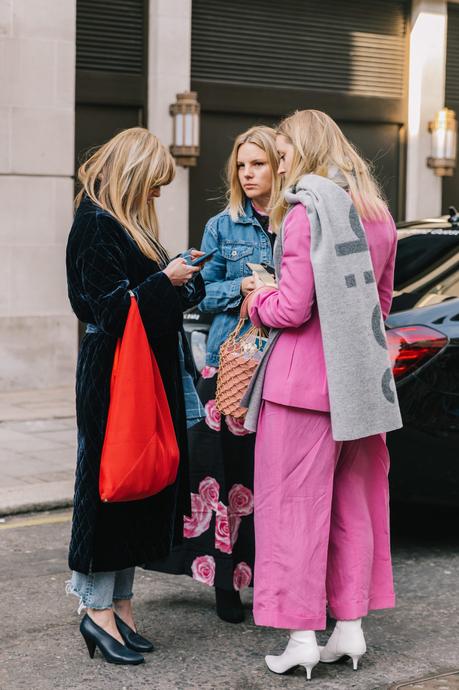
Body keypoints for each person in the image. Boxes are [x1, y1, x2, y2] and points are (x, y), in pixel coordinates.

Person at [245, 110, 402, 679]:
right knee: (352, 509)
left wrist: (256, 299)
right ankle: (350, 631)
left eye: (284, 155)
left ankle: (302, 637)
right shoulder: (378, 215)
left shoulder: (306, 212)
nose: (281, 165)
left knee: (292, 513)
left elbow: (291, 307)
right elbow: (381, 307)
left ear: (305, 153)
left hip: (300, 388)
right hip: (360, 389)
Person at [65, 127, 206, 665]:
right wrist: (163, 282)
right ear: (133, 175)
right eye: (153, 185)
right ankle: (97, 612)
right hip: (113, 376)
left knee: (136, 489)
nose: (157, 195)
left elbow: (157, 300)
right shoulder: (96, 225)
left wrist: (184, 277)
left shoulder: (127, 225)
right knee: (109, 487)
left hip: (142, 372)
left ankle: (120, 608)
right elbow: (109, 310)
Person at [152, 126, 280, 623]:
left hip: (283, 365)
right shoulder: (221, 226)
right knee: (223, 476)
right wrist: (246, 286)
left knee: (270, 479)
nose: (248, 175)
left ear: (280, 166)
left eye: (258, 164)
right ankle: (227, 582)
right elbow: (200, 294)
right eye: (241, 166)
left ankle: (274, 580)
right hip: (231, 364)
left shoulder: (299, 223)